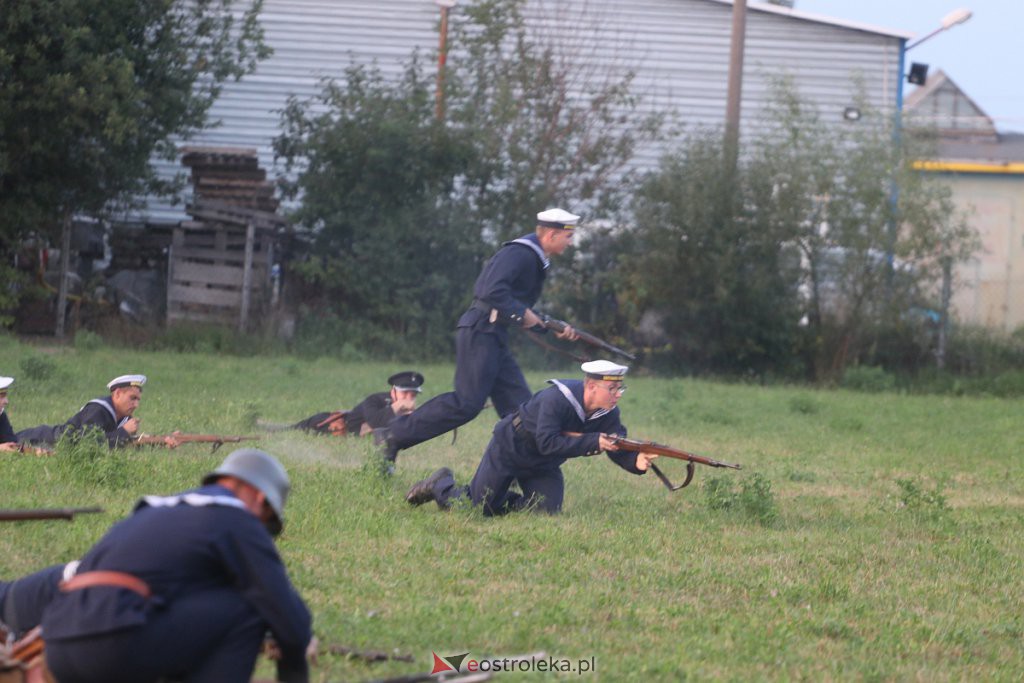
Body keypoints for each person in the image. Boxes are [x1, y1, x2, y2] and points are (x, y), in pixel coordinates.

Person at [0, 448, 314, 683]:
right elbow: (290, 620)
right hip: (113, 646)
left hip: (56, 643)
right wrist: (294, 669)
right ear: (260, 499)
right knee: (246, 609)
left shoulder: (158, 509)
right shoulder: (236, 517)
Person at [381, 208, 581, 465]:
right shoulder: (521, 253)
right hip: (481, 332)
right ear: (553, 234)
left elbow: (514, 304)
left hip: (493, 335)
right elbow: (489, 291)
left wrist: (551, 326)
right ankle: (393, 434)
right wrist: (522, 314)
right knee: (466, 403)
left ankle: (531, 471)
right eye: (568, 236)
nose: (571, 242)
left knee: (521, 410)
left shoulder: (531, 256)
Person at [405, 360, 657, 515]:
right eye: (612, 389)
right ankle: (439, 483)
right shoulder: (556, 399)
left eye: (619, 388)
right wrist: (592, 442)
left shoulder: (609, 412)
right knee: (475, 509)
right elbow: (548, 443)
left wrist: (635, 461)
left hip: (544, 465)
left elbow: (616, 442)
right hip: (511, 449)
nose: (617, 394)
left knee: (545, 511)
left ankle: (497, 498)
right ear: (591, 386)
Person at [15, 374, 177, 449]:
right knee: (9, 444)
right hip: (45, 440)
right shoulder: (98, 409)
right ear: (118, 394)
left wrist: (161, 442)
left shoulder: (123, 418)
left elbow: (124, 443)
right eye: (132, 398)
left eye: (138, 400)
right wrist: (124, 432)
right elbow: (89, 443)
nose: (136, 404)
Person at [289, 371, 425, 436]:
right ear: (393, 391)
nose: (408, 398)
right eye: (404, 393)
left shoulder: (408, 412)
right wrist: (397, 407)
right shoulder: (375, 399)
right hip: (329, 426)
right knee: (288, 430)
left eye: (412, 395)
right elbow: (376, 422)